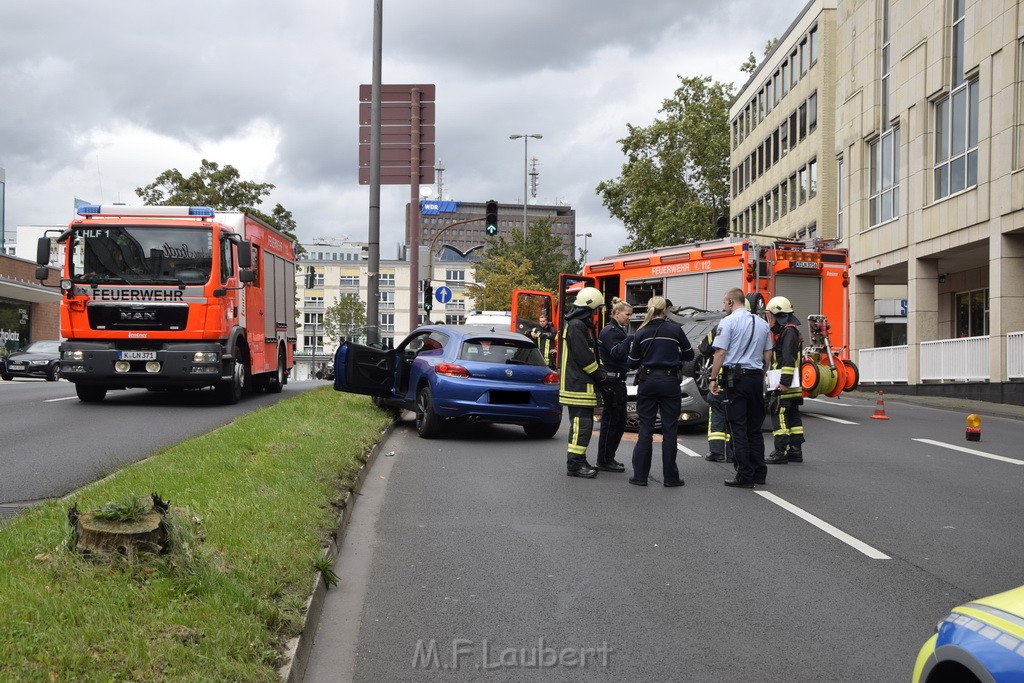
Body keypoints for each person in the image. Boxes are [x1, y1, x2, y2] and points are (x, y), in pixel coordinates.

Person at [626, 296, 694, 487]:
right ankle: (671, 478)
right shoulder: (675, 330)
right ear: (665, 311)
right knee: (669, 429)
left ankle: (640, 476)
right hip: (669, 382)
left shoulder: (641, 332)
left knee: (645, 429)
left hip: (648, 382)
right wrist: (674, 355)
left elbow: (632, 362)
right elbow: (689, 354)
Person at [708, 288, 773, 488]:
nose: (724, 307)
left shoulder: (728, 322)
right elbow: (768, 355)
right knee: (754, 429)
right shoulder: (763, 323)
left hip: (735, 380)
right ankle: (759, 472)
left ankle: (744, 475)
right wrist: (760, 376)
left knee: (738, 428)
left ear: (730, 302)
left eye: (724, 303)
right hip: (755, 379)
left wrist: (712, 378)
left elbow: (720, 352)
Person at [559, 287, 613, 479]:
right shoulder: (576, 326)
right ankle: (574, 465)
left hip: (579, 384)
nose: (596, 313)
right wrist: (600, 376)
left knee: (583, 425)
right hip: (578, 385)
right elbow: (583, 357)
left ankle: (579, 459)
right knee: (581, 426)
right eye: (595, 309)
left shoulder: (577, 325)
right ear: (589, 307)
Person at [764, 296, 806, 464]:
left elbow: (788, 359)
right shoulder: (790, 330)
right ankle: (796, 451)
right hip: (793, 384)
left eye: (770, 316)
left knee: (779, 414)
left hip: (785, 383)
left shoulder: (788, 331)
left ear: (778, 315)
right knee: (793, 417)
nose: (769, 320)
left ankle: (780, 452)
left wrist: (783, 383)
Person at [595, 298, 634, 472]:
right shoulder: (610, 331)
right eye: (627, 314)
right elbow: (617, 352)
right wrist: (632, 338)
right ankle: (604, 460)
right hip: (612, 382)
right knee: (611, 421)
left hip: (619, 380)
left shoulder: (618, 330)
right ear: (616, 313)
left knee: (619, 421)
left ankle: (608, 457)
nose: (630, 318)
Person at [699, 325, 733, 463]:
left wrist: (713, 379)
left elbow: (704, 348)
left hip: (722, 379)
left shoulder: (723, 326)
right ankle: (733, 453)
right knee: (736, 418)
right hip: (743, 382)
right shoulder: (755, 326)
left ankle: (717, 452)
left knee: (717, 414)